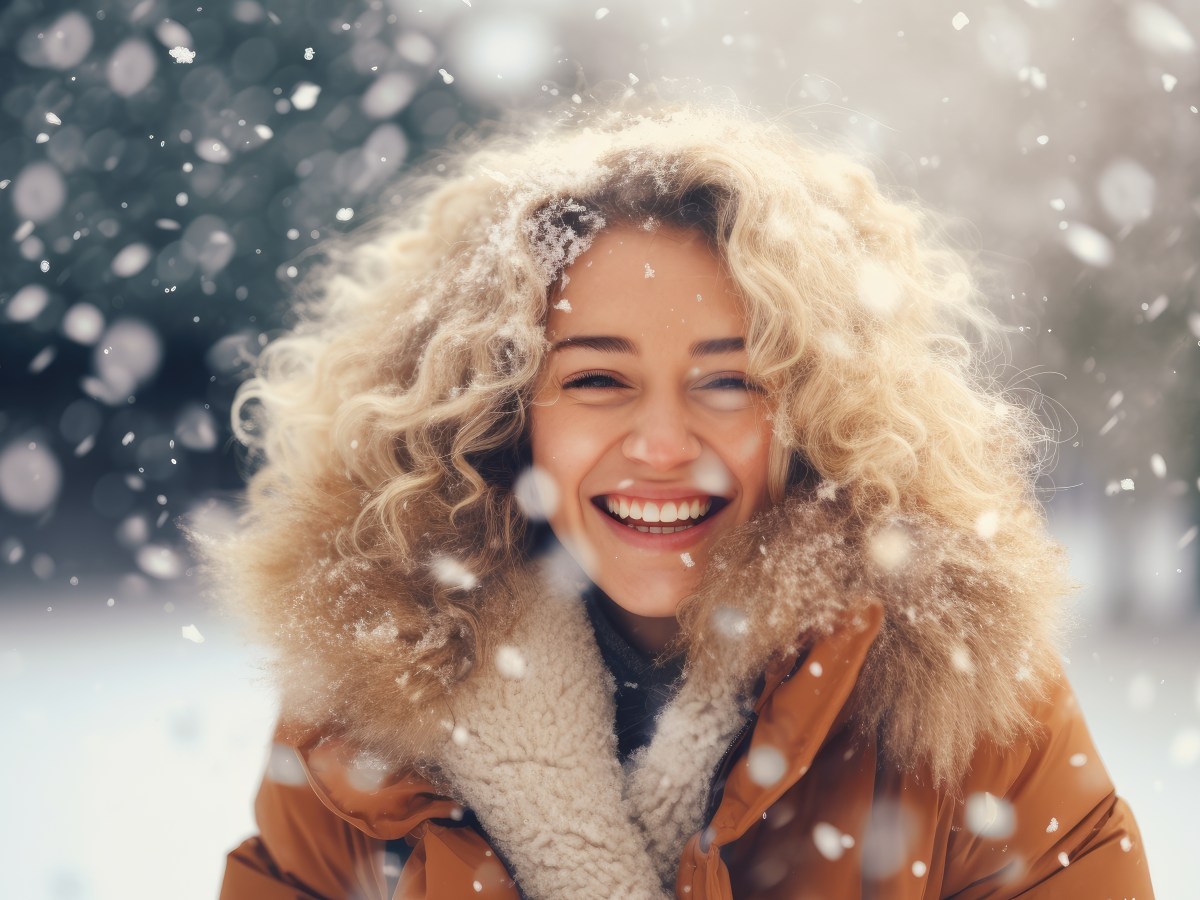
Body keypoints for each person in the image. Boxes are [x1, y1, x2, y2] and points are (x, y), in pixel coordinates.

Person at [205, 102, 1154, 898]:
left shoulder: (966, 711)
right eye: (595, 381)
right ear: (504, 412)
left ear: (815, 416)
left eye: (730, 383)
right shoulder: (363, 716)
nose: (662, 445)